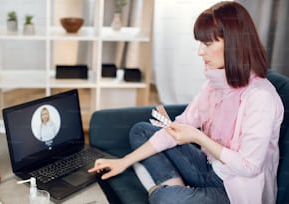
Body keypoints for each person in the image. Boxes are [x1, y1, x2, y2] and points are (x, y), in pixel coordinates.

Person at [88, 1, 284, 204]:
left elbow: (249, 167)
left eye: (207, 44)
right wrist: (123, 162)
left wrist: (199, 138)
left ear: (234, 43)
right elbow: (182, 126)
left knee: (165, 198)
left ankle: (164, 191)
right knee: (141, 130)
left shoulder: (261, 97)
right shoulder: (215, 84)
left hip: (234, 191)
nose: (200, 52)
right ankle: (178, 189)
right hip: (209, 168)